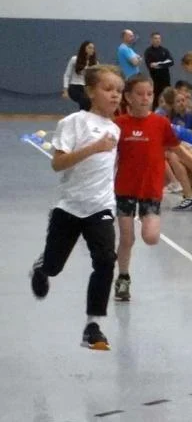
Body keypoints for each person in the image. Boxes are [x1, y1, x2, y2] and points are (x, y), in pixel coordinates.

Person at [30, 64, 124, 350]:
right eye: (108, 89)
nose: (115, 95)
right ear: (91, 91)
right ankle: (42, 268)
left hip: (101, 207)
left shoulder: (115, 129)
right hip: (70, 206)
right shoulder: (74, 122)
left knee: (106, 261)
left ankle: (93, 326)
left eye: (119, 91)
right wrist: (93, 148)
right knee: (54, 266)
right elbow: (58, 163)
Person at [113, 75, 192, 301]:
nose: (145, 98)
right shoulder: (119, 124)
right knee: (127, 238)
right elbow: (110, 157)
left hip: (150, 189)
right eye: (139, 94)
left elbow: (178, 149)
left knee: (151, 237)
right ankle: (123, 278)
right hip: (125, 188)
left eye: (149, 94)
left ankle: (145, 232)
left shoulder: (160, 123)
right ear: (128, 97)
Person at [62, 41, 98, 111]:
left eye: (93, 48)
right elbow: (67, 75)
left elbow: (96, 77)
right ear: (84, 49)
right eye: (89, 48)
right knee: (85, 101)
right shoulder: (74, 59)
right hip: (75, 87)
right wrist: (65, 90)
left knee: (88, 104)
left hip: (86, 88)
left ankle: (83, 116)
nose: (92, 50)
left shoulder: (95, 63)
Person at [144, 32, 174, 109]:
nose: (157, 40)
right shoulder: (148, 52)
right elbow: (151, 65)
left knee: (168, 98)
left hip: (166, 80)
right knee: (156, 100)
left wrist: (158, 64)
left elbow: (171, 62)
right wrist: (163, 64)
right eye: (155, 38)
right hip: (155, 80)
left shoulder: (165, 50)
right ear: (151, 40)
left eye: (159, 38)